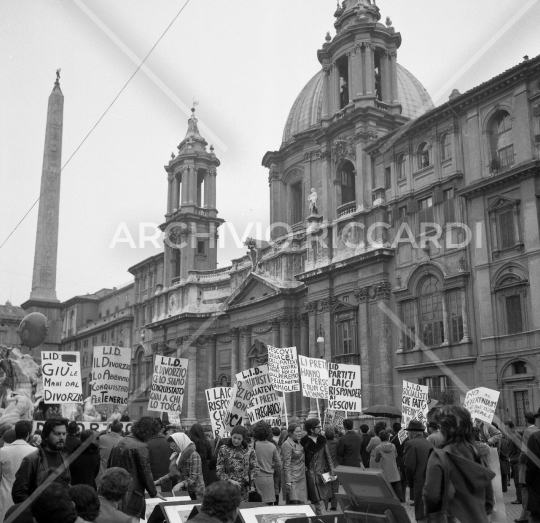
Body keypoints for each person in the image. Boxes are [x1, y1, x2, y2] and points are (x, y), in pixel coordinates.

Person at [423, 406, 495, 523]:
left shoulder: (439, 456)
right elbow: (489, 500)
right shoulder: (477, 454)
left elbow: (431, 496)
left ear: (444, 429)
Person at [107, 416, 165, 519]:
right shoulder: (141, 446)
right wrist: (153, 492)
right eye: (153, 433)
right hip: (133, 493)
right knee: (131, 519)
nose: (152, 437)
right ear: (148, 431)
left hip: (115, 490)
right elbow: (146, 472)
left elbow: (109, 466)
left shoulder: (119, 442)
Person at [12, 417, 71, 503]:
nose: (62, 437)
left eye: (64, 434)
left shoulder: (65, 457)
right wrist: (36, 511)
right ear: (46, 436)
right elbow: (19, 494)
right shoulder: (32, 459)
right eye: (57, 434)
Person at [0, 420, 35, 523]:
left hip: (5, 497)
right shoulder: (35, 452)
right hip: (26, 499)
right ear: (29, 434)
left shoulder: (2, 452)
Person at [154, 432, 205, 500]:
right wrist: (157, 482)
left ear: (181, 443)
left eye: (174, 446)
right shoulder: (178, 455)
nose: (172, 448)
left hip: (196, 493)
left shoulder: (194, 455)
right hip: (184, 493)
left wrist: (181, 484)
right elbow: (172, 474)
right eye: (171, 446)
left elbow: (194, 477)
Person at [301, 418, 335, 516]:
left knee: (322, 500)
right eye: (318, 427)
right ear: (312, 429)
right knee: (317, 501)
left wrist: (332, 471)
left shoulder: (322, 440)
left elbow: (328, 457)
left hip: (323, 475)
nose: (320, 428)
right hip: (311, 476)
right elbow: (301, 459)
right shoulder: (304, 442)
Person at [216, 425, 259, 502]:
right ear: (231, 436)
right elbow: (219, 470)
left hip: (244, 490)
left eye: (239, 439)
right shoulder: (223, 449)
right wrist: (229, 480)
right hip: (227, 488)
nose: (236, 441)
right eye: (234, 437)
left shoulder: (249, 450)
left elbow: (255, 468)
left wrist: (250, 481)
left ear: (243, 439)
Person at [403, 420, 433, 522]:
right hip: (431, 480)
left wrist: (411, 483)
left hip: (419, 481)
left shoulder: (410, 444)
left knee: (420, 513)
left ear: (411, 434)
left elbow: (409, 466)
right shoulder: (429, 443)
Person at [251, 421, 281, 505]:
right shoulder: (272, 446)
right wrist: (270, 466)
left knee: (257, 504)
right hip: (269, 479)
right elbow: (279, 464)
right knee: (268, 505)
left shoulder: (253, 446)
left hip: (256, 478)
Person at [518, 411, 539, 523]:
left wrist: (520, 462)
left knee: (525, 489)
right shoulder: (536, 430)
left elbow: (525, 451)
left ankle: (524, 515)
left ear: (526, 420)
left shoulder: (528, 431)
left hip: (527, 466)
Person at [281, 423, 308, 505]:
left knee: (301, 503)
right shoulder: (286, 444)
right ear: (291, 433)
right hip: (293, 477)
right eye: (297, 432)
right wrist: (288, 481)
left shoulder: (299, 442)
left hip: (301, 476)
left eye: (300, 431)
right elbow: (287, 463)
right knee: (293, 503)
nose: (299, 433)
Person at [374, 429, 403, 500]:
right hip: (393, 469)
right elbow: (395, 455)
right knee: (395, 487)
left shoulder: (378, 448)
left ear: (380, 437)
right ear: (388, 437)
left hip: (384, 470)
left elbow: (376, 460)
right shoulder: (393, 446)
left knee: (385, 488)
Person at [148, 418, 173, 492]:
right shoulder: (171, 443)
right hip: (168, 482)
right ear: (162, 429)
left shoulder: (146, 443)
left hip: (152, 482)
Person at [506, 420, 522, 504]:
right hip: (513, 462)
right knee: (516, 481)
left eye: (507, 429)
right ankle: (519, 497)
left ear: (512, 428)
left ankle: (520, 499)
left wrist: (512, 460)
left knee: (517, 481)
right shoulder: (511, 436)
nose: (506, 430)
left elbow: (520, 451)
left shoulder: (516, 436)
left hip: (516, 462)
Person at [390, 422, 407, 502]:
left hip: (397, 459)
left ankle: (399, 497)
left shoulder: (393, 438)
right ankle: (403, 496)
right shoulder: (406, 437)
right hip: (405, 459)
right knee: (404, 479)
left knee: (398, 479)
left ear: (393, 429)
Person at [324, 426, 339, 511]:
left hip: (326, 468)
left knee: (326, 487)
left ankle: (325, 505)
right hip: (335, 467)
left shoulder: (323, 443)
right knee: (335, 488)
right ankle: (334, 505)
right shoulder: (337, 442)